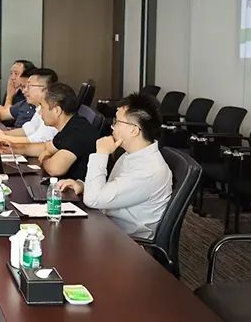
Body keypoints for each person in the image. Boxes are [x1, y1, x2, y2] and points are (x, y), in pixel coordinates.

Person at [56, 93, 172, 239]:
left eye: (117, 121)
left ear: (134, 130)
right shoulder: (131, 154)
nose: (112, 126)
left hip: (126, 242)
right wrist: (83, 186)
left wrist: (101, 153)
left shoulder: (148, 171)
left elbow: (93, 200)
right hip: (107, 226)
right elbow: (112, 190)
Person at [0, 83, 96, 181]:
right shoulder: (71, 124)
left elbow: (54, 169)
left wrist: (45, 157)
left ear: (57, 111)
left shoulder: (77, 132)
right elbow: (46, 147)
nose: (39, 112)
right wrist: (15, 148)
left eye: (42, 107)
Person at [0, 68, 59, 142]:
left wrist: (3, 137)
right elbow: (27, 131)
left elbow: (37, 141)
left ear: (45, 89)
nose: (24, 91)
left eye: (29, 86)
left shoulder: (53, 111)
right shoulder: (39, 108)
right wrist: (1, 133)